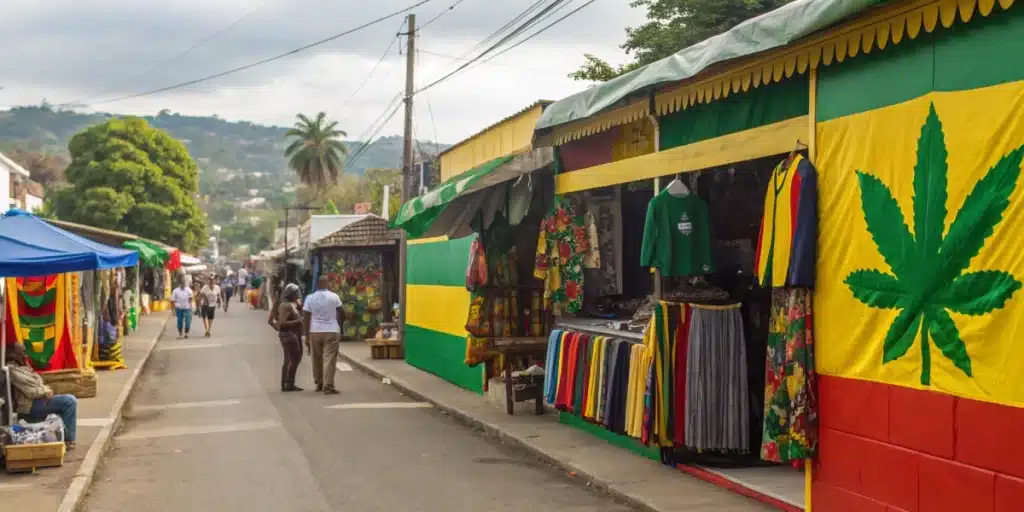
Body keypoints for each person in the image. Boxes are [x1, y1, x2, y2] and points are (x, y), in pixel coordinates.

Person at [6, 343, 78, 450]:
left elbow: (39, 381)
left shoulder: (22, 366)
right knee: (69, 401)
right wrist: (45, 392)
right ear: (13, 354)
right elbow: (31, 390)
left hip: (37, 401)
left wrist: (46, 390)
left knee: (67, 400)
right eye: (23, 352)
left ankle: (63, 437)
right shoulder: (12, 369)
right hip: (30, 406)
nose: (26, 355)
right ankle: (68, 440)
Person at [303, 276, 344, 395]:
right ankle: (328, 386)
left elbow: (305, 316)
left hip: (315, 331)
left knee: (316, 358)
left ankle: (319, 383)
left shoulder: (310, 298)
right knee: (329, 359)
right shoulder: (334, 296)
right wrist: (340, 323)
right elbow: (342, 312)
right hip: (331, 330)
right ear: (327, 283)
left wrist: (306, 336)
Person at [269, 283, 304, 392]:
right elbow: (282, 322)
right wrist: (298, 321)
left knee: (291, 359)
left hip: (292, 334)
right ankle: (288, 383)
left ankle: (288, 383)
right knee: (292, 359)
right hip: (289, 335)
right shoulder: (285, 305)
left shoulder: (291, 304)